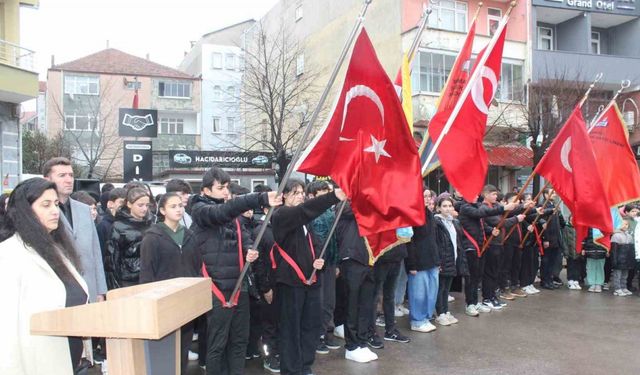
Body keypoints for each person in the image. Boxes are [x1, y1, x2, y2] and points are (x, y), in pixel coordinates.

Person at [189, 167, 281, 375]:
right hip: (217, 289)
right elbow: (221, 213)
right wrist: (259, 198)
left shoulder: (231, 215)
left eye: (227, 187)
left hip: (240, 286)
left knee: (239, 340)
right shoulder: (201, 211)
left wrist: (250, 250)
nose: (225, 192)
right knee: (217, 344)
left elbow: (244, 238)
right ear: (205, 190)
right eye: (220, 187)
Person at [0, 178, 89, 374]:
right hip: (35, 365)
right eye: (46, 205)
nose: (55, 211)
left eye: (56, 204)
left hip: (70, 361)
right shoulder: (8, 255)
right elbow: (4, 331)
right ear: (25, 211)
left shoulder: (56, 251)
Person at [271, 179, 346, 375]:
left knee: (310, 326)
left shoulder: (304, 222)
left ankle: (305, 364)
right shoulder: (282, 215)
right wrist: (333, 197)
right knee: (291, 329)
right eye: (295, 192)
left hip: (310, 280)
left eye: (301, 192)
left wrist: (318, 260)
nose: (300, 196)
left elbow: (314, 243)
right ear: (284, 195)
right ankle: (291, 368)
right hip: (290, 282)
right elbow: (303, 211)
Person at [139, 192, 200, 374]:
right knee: (164, 349)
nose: (179, 209)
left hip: (186, 299)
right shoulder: (153, 236)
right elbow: (147, 272)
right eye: (173, 206)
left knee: (184, 345)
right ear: (163, 210)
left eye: (180, 205)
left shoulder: (189, 235)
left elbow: (196, 265)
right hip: (163, 300)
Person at [43, 158, 106, 305]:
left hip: (89, 289)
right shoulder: (43, 212)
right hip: (61, 290)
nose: (68, 180)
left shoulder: (84, 209)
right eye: (62, 175)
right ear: (47, 179)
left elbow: (95, 252)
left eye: (71, 175)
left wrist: (101, 290)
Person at [457, 187, 518, 316]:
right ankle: (470, 304)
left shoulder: (476, 206)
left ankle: (475, 301)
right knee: (471, 278)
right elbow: (481, 214)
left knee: (477, 276)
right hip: (470, 247)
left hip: (480, 246)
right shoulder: (465, 207)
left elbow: (482, 224)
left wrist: (490, 230)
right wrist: (503, 208)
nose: (476, 196)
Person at [336, 202, 378, 363]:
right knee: (352, 305)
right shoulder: (345, 204)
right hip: (352, 258)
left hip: (369, 258)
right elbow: (345, 211)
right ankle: (352, 346)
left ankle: (362, 341)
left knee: (365, 304)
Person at [306, 180, 342, 354]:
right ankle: (317, 337)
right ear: (312, 196)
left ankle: (328, 333)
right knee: (317, 303)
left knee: (329, 302)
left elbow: (334, 240)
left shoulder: (330, 212)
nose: (327, 196)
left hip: (329, 263)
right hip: (315, 265)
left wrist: (335, 262)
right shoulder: (308, 213)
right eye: (323, 193)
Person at [251, 184, 281, 373]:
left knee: (280, 321)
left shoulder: (282, 226)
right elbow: (259, 263)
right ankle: (269, 356)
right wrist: (265, 288)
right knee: (269, 325)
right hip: (269, 285)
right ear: (264, 208)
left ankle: (279, 352)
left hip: (283, 283)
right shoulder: (260, 230)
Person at [406, 188, 440, 332]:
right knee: (419, 293)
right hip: (418, 261)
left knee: (432, 291)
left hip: (432, 259)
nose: (427, 199)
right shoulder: (412, 215)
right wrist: (411, 264)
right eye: (424, 196)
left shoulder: (430, 214)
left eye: (429, 196)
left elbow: (433, 239)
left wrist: (438, 260)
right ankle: (417, 320)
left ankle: (426, 317)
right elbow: (410, 241)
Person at [106, 187, 153, 288]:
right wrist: (115, 288)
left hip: (150, 278)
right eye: (140, 205)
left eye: (147, 205)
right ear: (129, 204)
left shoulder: (152, 224)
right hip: (128, 281)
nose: (145, 209)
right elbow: (112, 261)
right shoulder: (118, 226)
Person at [434, 196, 468, 326]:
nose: (447, 209)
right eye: (444, 206)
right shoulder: (437, 223)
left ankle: (446, 311)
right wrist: (438, 262)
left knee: (447, 288)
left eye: (450, 206)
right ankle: (440, 313)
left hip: (453, 259)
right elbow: (436, 244)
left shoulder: (454, 222)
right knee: (441, 288)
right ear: (438, 208)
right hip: (443, 260)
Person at [539, 189, 566, 290]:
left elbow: (559, 223)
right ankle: (544, 281)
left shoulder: (553, 205)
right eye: (552, 193)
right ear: (545, 194)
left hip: (556, 238)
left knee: (552, 261)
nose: (554, 195)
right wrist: (545, 239)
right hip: (549, 239)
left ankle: (550, 280)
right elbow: (543, 224)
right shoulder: (543, 206)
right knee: (546, 261)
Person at [611, 220, 635, 296]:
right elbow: (614, 250)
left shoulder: (629, 236)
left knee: (625, 275)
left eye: (627, 224)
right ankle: (617, 289)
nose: (625, 226)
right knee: (617, 275)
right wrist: (614, 260)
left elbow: (631, 250)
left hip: (627, 260)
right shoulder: (616, 236)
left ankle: (623, 287)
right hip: (619, 259)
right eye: (623, 224)